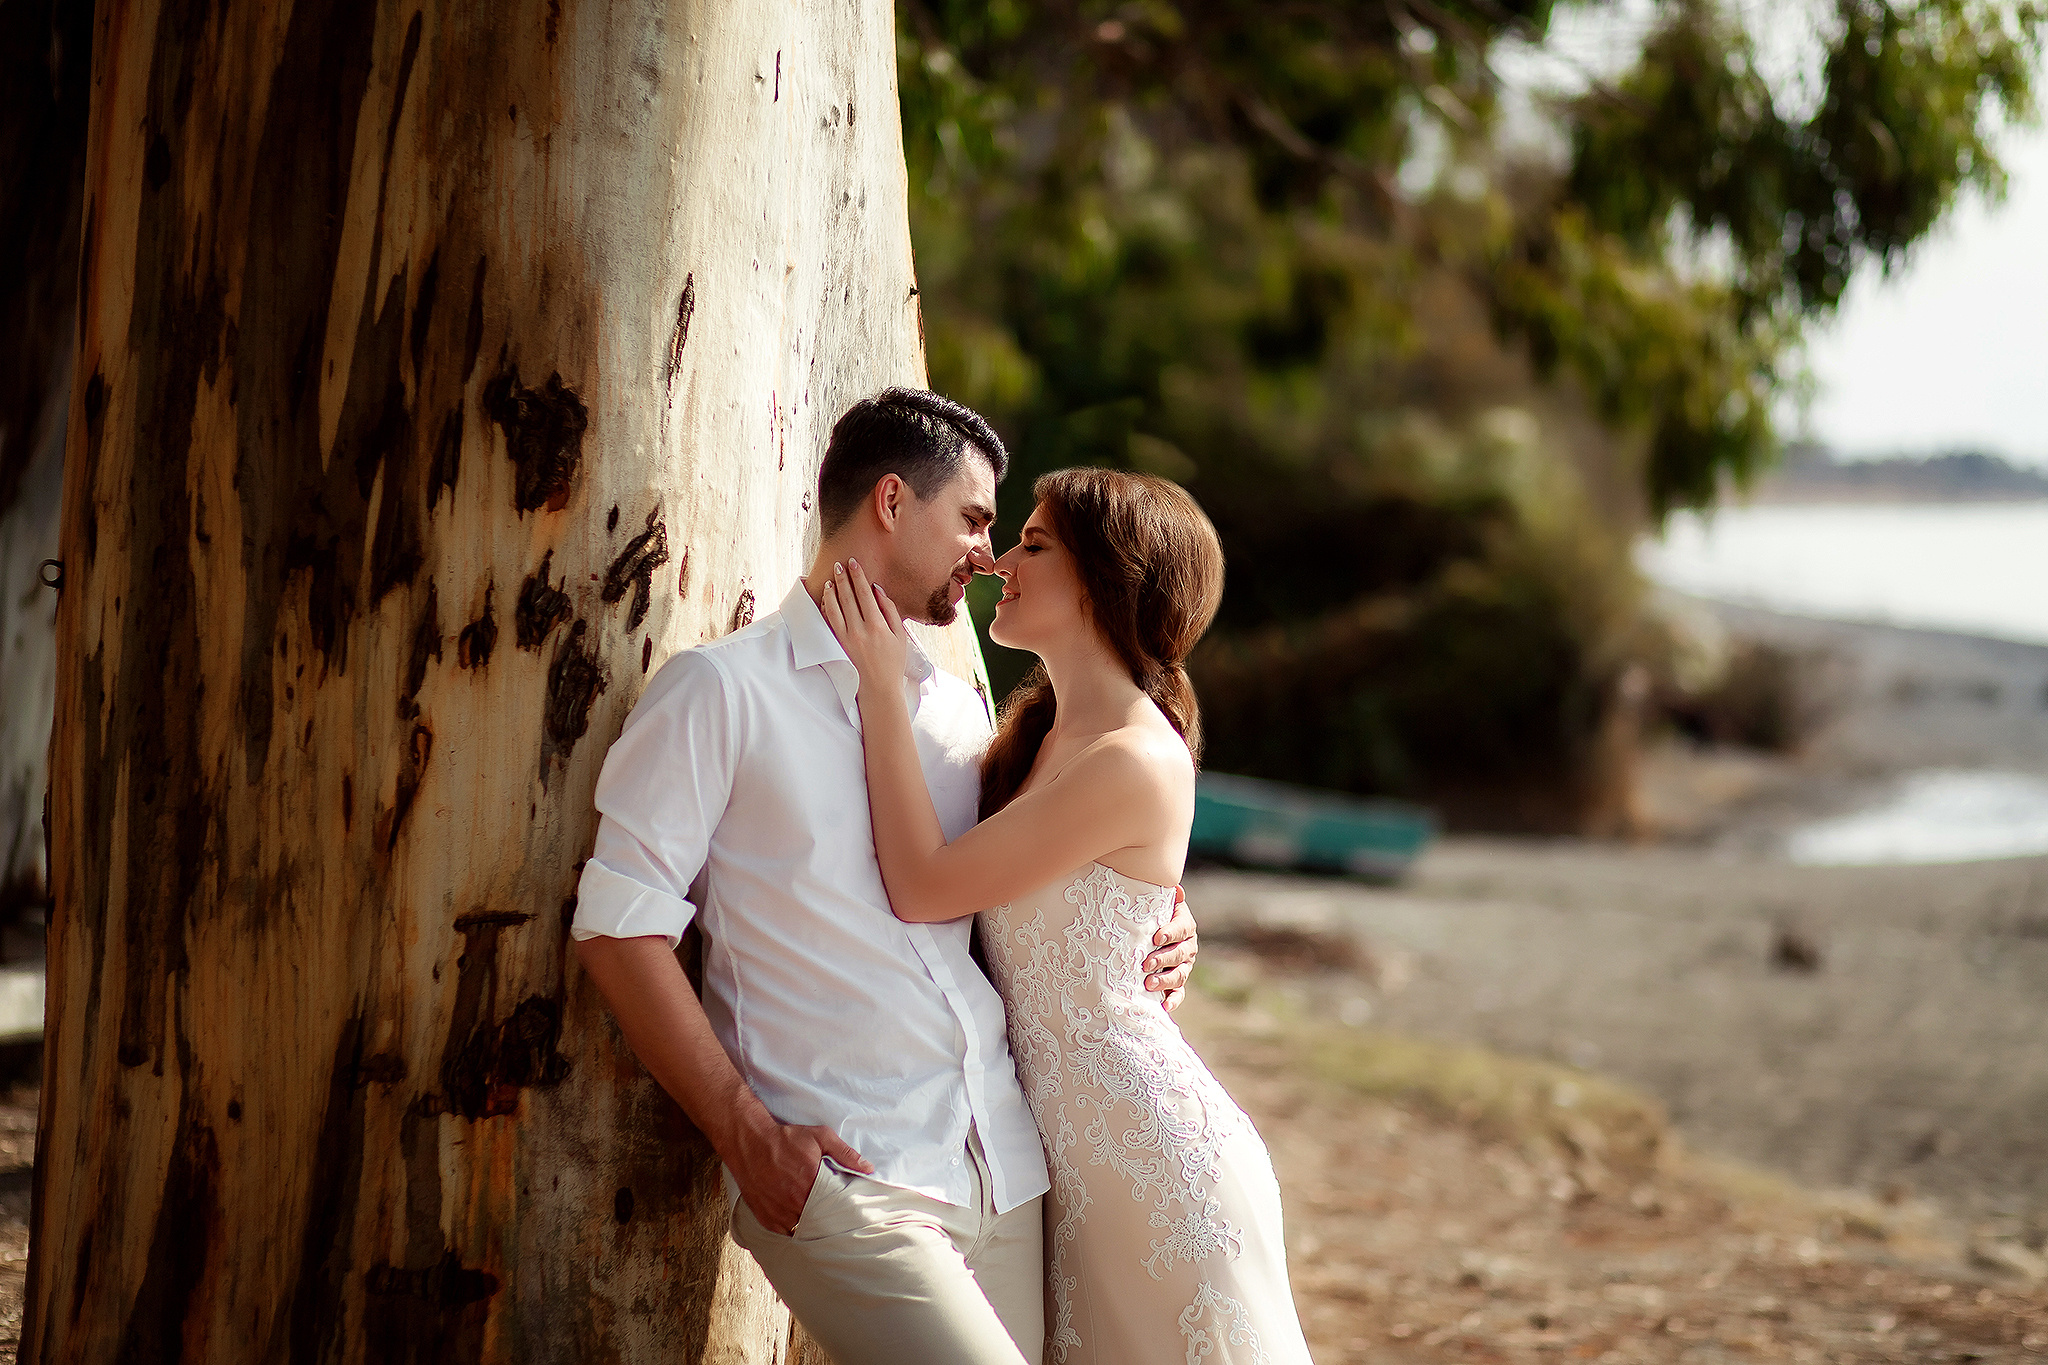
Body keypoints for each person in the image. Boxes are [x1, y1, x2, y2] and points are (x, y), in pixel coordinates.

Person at [570, 390, 1201, 1365]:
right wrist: (744, 1133)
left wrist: (1154, 924)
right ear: (894, 502)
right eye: (975, 520)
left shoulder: (957, 711)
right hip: (852, 1171)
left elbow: (1040, 875)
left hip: (1003, 1168)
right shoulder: (721, 691)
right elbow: (617, 925)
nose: (987, 555)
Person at [819, 467, 1315, 1365]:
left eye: (1035, 544)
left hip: (1158, 1175)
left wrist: (880, 689)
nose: (1001, 560)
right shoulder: (1038, 740)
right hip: (1065, 1175)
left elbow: (923, 885)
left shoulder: (1134, 757)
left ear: (1106, 579)